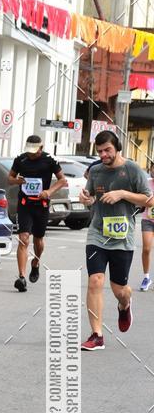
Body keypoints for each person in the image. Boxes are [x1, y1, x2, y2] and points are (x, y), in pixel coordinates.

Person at [78, 130, 153, 350]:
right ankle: (97, 335)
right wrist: (85, 199)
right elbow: (90, 197)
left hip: (122, 237)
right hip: (97, 233)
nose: (103, 155)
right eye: (100, 151)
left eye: (107, 150)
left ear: (117, 147)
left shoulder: (132, 170)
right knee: (95, 281)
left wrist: (122, 193)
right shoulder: (95, 171)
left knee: (119, 289)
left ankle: (125, 304)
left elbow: (149, 200)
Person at [8, 135, 67, 292]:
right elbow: (10, 178)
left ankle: (36, 261)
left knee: (38, 240)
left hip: (41, 205)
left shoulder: (50, 160)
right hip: (25, 205)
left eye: (34, 151)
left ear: (41, 148)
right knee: (23, 239)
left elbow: (62, 180)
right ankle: (21, 277)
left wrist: (49, 191)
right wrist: (17, 181)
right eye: (29, 151)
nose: (31, 154)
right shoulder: (20, 159)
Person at [139, 161, 154, 291]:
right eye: (153, 168)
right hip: (147, 220)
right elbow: (139, 198)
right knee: (146, 249)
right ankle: (146, 277)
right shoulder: (147, 183)